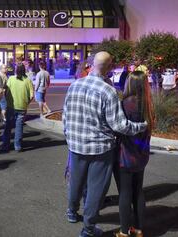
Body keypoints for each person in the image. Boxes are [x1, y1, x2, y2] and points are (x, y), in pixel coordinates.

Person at [63, 51, 147, 237]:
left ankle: (71, 211)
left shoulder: (74, 85)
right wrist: (141, 126)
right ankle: (89, 228)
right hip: (100, 148)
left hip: (76, 145)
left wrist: (69, 137)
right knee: (96, 189)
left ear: (92, 64)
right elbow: (119, 125)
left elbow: (65, 115)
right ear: (109, 68)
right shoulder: (107, 91)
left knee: (76, 180)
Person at [115, 71, 155, 237]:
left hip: (125, 155)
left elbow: (119, 127)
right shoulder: (148, 104)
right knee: (138, 191)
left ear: (129, 83)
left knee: (125, 193)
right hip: (141, 155)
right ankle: (138, 230)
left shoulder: (125, 103)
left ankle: (124, 231)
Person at [1, 63, 34, 152]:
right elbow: (31, 96)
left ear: (15, 70)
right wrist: (26, 103)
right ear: (24, 70)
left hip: (11, 106)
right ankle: (17, 146)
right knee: (19, 127)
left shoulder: (11, 79)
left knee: (8, 126)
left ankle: (5, 145)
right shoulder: (28, 80)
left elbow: (5, 91)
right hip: (22, 107)